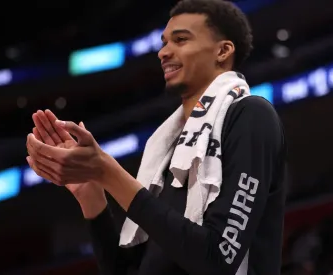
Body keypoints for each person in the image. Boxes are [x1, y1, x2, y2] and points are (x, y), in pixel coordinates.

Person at [26, 0, 287, 274]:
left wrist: (108, 171)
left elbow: (218, 261)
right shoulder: (164, 149)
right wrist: (92, 196)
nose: (163, 52)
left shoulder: (251, 116)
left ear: (222, 51)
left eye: (180, 40)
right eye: (164, 42)